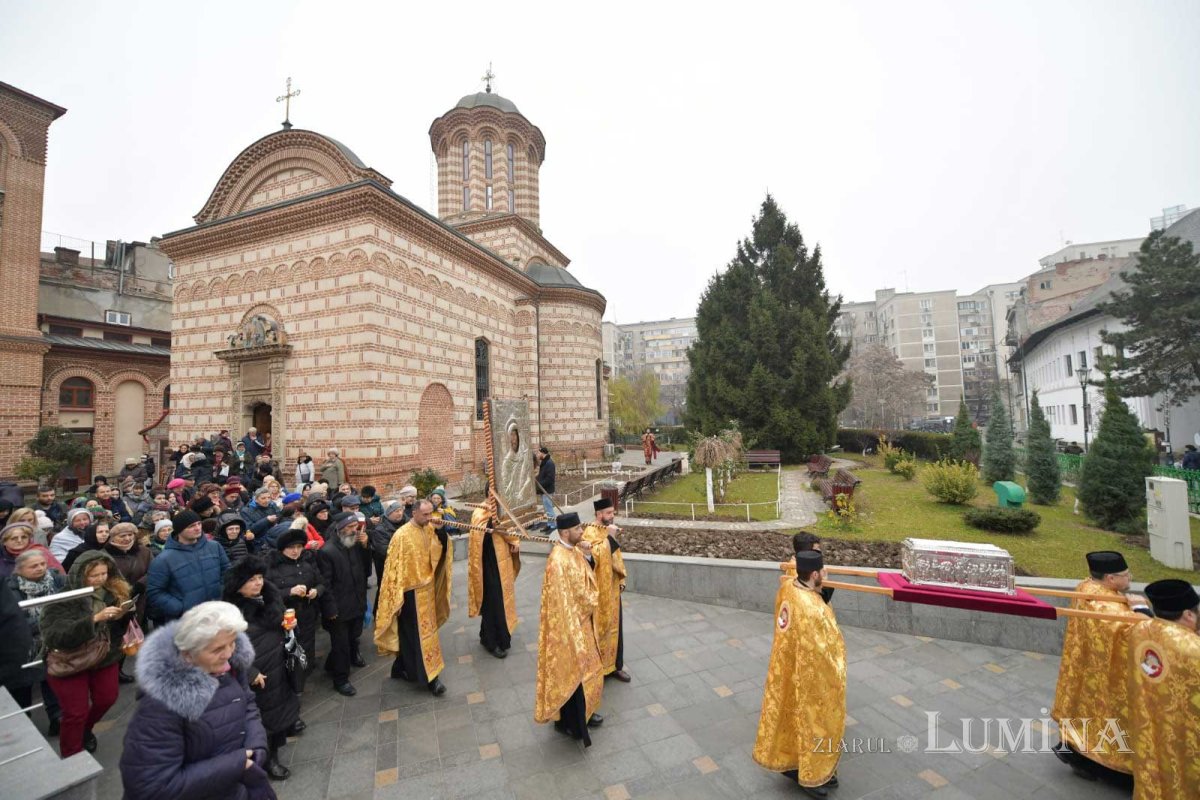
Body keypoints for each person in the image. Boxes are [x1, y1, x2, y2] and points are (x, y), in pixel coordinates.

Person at [119, 601, 275, 800]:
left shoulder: (232, 667)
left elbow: (247, 705)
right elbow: (151, 786)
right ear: (188, 655)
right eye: (217, 649)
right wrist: (237, 763)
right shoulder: (161, 705)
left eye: (233, 642)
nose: (228, 654)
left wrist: (257, 746)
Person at [753, 549, 845, 798]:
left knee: (791, 721)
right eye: (823, 571)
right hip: (809, 678)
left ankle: (793, 764)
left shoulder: (788, 589)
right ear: (814, 574)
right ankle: (811, 777)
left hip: (785, 669)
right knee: (814, 724)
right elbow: (828, 649)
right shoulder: (814, 609)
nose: (825, 574)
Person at [1051, 551, 1150, 780]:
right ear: (1110, 579)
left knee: (1085, 712)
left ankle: (1077, 755)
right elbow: (1145, 634)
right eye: (1126, 574)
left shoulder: (1086, 587)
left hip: (1086, 667)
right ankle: (1109, 767)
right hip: (1109, 676)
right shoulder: (1110, 608)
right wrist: (1142, 610)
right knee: (1110, 718)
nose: (1130, 577)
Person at [40, 550, 132, 757]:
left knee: (107, 698)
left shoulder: (113, 592)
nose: (100, 579)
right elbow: (55, 635)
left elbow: (116, 632)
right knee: (75, 712)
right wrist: (93, 620)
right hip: (70, 660)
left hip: (104, 655)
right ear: (80, 574)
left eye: (104, 574)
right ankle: (72, 755)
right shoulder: (63, 599)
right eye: (94, 575)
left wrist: (124, 614)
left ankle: (85, 730)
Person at [222, 556, 302, 780]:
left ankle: (276, 745)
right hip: (258, 670)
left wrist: (290, 627)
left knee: (279, 707)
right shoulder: (230, 612)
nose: (258, 583)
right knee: (262, 717)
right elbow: (227, 648)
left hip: (278, 663)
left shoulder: (270, 596)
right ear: (238, 585)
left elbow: (281, 624)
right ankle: (268, 760)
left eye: (259, 578)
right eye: (251, 580)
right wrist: (250, 672)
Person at [1124, 579, 1200, 799]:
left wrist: (1140, 609)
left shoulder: (1140, 630)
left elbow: (1147, 622)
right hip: (1186, 737)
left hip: (1150, 724)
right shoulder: (1193, 648)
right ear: (1188, 615)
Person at [534, 512, 604, 745]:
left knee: (588, 671)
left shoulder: (572, 550)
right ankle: (571, 724)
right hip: (569, 627)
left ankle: (586, 712)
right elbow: (561, 602)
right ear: (565, 533)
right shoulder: (557, 561)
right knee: (573, 672)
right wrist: (572, 629)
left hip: (582, 621)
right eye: (577, 530)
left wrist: (586, 555)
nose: (582, 533)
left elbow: (586, 578)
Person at [375, 499, 451, 696]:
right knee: (417, 638)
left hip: (426, 591)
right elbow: (393, 570)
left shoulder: (428, 528)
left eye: (430, 514)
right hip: (409, 596)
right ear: (414, 513)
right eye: (425, 514)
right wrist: (396, 599)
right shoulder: (401, 536)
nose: (429, 518)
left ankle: (400, 667)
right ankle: (431, 679)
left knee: (421, 636)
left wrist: (441, 531)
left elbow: (440, 549)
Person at [6, 549, 64, 736]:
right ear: (19, 569)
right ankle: (24, 725)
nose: (40, 568)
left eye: (42, 564)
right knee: (22, 687)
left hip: (53, 641)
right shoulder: (10, 589)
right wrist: (50, 620)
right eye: (34, 566)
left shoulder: (55, 580)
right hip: (23, 646)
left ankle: (56, 718)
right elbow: (15, 621)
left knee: (52, 681)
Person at [318, 512, 371, 696]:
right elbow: (325, 583)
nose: (353, 530)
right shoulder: (327, 551)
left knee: (353, 636)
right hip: (338, 608)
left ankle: (330, 664)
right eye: (349, 527)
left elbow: (365, 570)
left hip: (356, 601)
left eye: (355, 526)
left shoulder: (354, 543)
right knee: (341, 645)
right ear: (339, 528)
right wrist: (330, 609)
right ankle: (341, 679)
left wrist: (365, 546)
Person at [146, 509, 231, 623]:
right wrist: (180, 608)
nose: (197, 528)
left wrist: (222, 594)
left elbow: (227, 573)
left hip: (217, 612)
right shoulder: (163, 559)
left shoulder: (214, 547)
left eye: (199, 524)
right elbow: (155, 592)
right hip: (187, 620)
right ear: (180, 530)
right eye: (191, 526)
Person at [268, 526, 327, 681]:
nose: (295, 551)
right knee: (288, 647)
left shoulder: (307, 562)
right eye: (291, 548)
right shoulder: (272, 566)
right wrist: (289, 591)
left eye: (299, 547)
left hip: (307, 611)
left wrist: (316, 591)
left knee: (308, 641)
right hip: (285, 615)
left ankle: (306, 668)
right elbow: (268, 594)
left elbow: (321, 582)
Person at [583, 498, 630, 682]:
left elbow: (615, 556)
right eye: (608, 513)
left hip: (612, 588)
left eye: (612, 512)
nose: (612, 516)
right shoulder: (589, 532)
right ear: (599, 514)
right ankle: (598, 669)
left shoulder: (608, 529)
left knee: (616, 628)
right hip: (599, 591)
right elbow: (592, 559)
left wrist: (620, 578)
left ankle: (615, 667)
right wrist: (610, 539)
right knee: (600, 629)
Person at [467, 501, 520, 658]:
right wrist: (492, 523)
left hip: (502, 564)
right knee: (493, 602)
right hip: (487, 565)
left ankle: (487, 636)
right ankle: (492, 642)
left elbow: (511, 530)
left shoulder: (502, 510)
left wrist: (514, 541)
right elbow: (479, 537)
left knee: (501, 602)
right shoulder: (480, 512)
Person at [370, 500, 406, 612]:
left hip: (404, 564)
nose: (400, 513)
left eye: (401, 510)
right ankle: (380, 613)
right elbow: (385, 551)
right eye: (396, 511)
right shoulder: (380, 529)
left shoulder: (408, 521)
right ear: (388, 513)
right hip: (386, 566)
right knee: (385, 589)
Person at [794, 532, 834, 604]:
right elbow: (820, 601)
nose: (819, 551)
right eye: (816, 549)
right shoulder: (803, 571)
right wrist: (824, 580)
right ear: (806, 552)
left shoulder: (798, 564)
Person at [534, 447, 556, 530]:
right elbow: (542, 475)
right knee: (547, 509)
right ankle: (549, 524)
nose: (537, 455)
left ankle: (552, 526)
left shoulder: (549, 463)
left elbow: (550, 479)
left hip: (547, 491)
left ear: (543, 453)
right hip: (544, 490)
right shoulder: (544, 462)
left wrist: (540, 484)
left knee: (549, 509)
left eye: (538, 453)